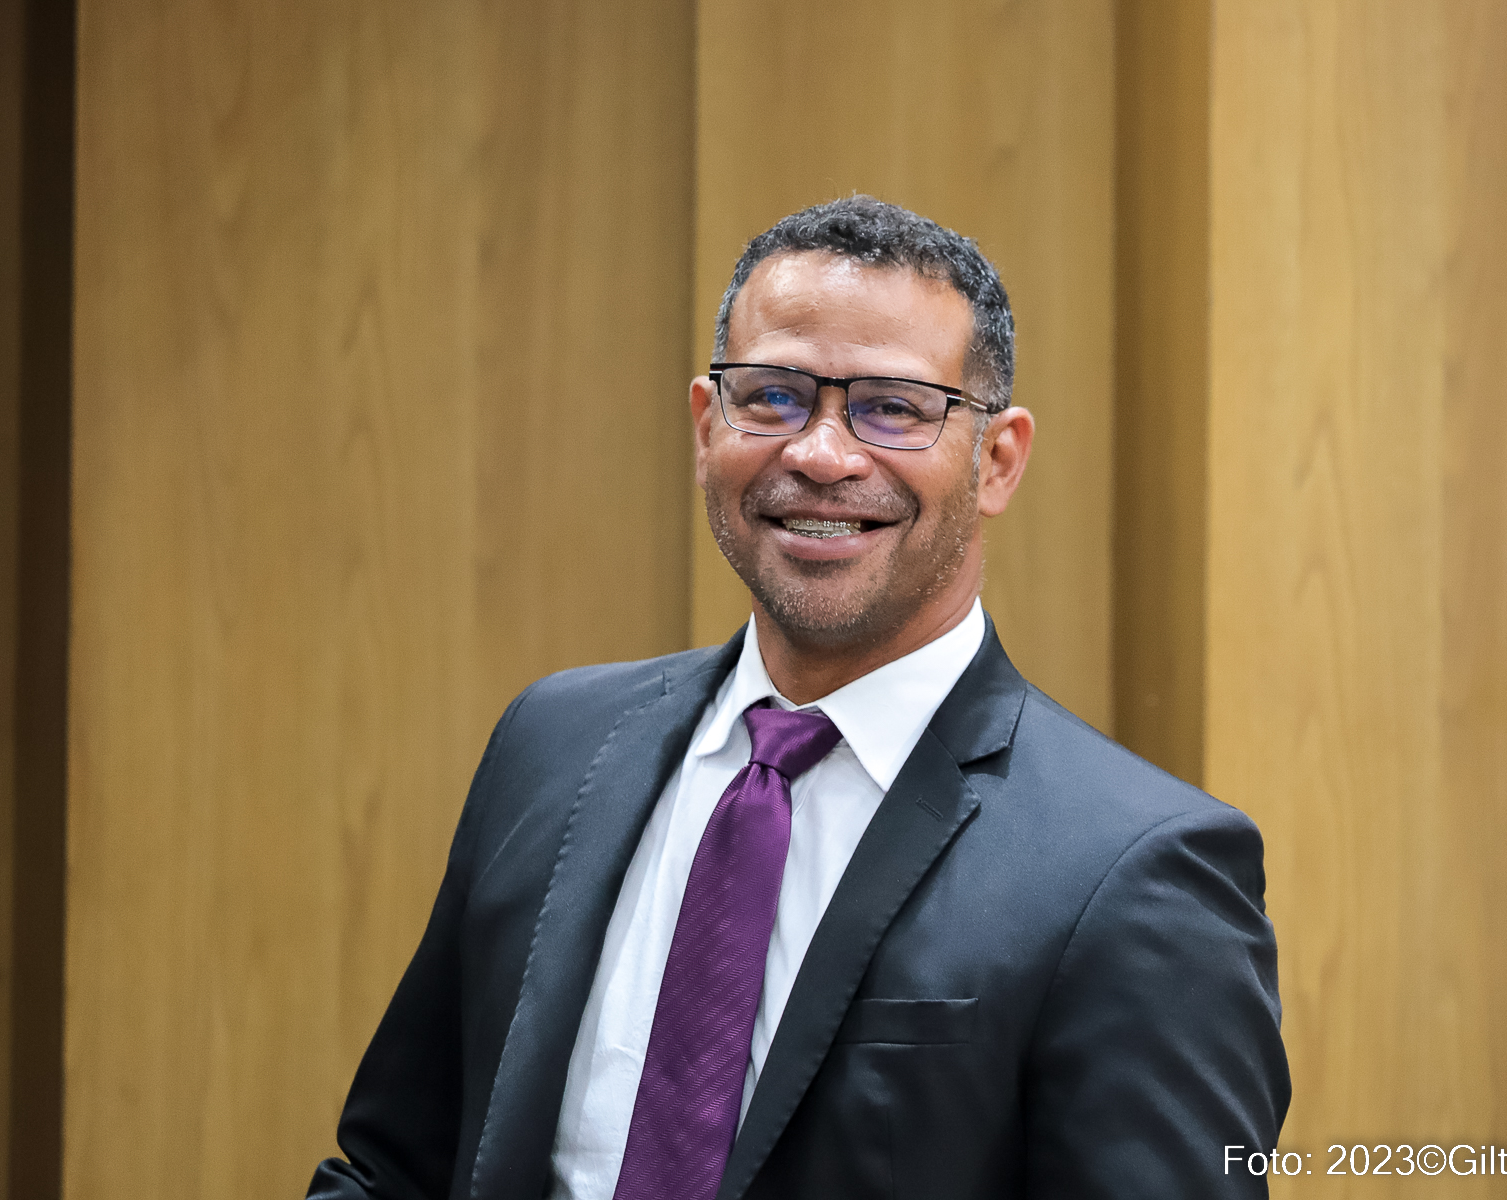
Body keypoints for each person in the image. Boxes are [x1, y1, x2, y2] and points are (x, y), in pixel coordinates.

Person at [309, 196, 1288, 1200]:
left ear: (995, 461)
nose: (821, 455)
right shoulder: (552, 746)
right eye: (773, 397)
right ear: (707, 426)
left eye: (893, 407)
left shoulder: (1134, 872)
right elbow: (396, 1171)